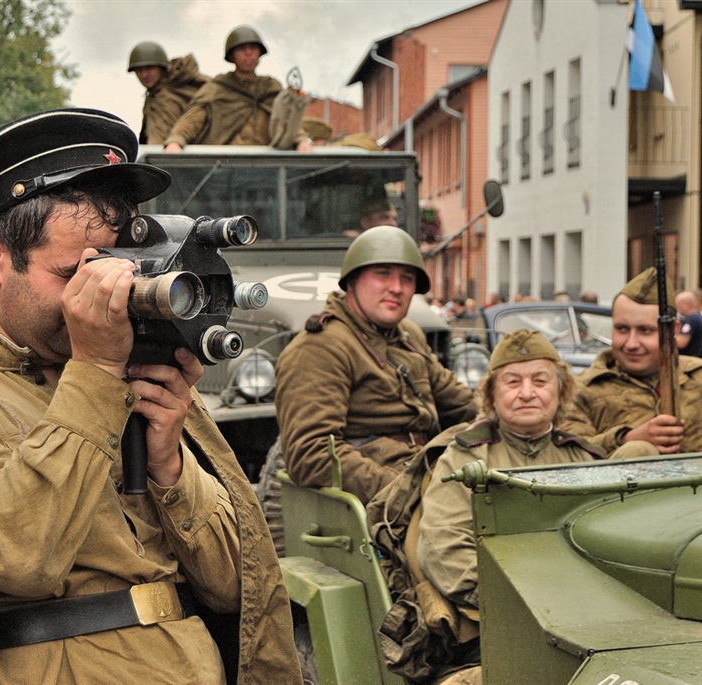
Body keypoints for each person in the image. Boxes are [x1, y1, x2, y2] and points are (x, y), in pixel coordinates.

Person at [0, 108, 302, 685]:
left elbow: (242, 587)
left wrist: (171, 467)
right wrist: (93, 373)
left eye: (114, 274)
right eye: (73, 275)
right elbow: (20, 560)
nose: (99, 302)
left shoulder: (140, 378)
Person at [406, 330, 647, 685]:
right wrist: (529, 603)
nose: (527, 392)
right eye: (512, 381)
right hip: (493, 622)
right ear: (492, 393)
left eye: (540, 380)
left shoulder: (581, 457)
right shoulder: (466, 457)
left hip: (583, 619)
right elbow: (444, 550)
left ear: (561, 390)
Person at [275, 225, 479, 504]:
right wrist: (404, 490)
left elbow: (462, 404)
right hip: (378, 496)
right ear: (352, 281)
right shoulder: (321, 347)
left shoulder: (408, 337)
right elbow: (312, 455)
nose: (396, 288)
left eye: (407, 279)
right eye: (383, 274)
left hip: (429, 469)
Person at [560, 267, 702, 454]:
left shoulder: (698, 379)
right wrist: (625, 439)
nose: (631, 343)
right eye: (622, 329)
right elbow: (571, 454)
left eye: (645, 330)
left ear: (674, 330)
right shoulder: (579, 390)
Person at [164, 26, 313, 152]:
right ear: (232, 55)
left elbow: (286, 120)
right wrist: (176, 141)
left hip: (266, 167)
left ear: (259, 53)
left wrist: (301, 141)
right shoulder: (217, 89)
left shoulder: (271, 88)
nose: (248, 53)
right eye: (242, 49)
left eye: (253, 48)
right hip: (223, 167)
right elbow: (192, 120)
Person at [127, 41, 209, 145]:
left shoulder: (164, 97)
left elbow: (158, 141)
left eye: (149, 68)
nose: (144, 75)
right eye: (139, 70)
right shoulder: (156, 93)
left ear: (161, 67)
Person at [676, 290, 702, 357]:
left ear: (687, 305)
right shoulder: (696, 317)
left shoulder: (692, 319)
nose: (677, 309)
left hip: (691, 359)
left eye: (679, 305)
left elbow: (681, 342)